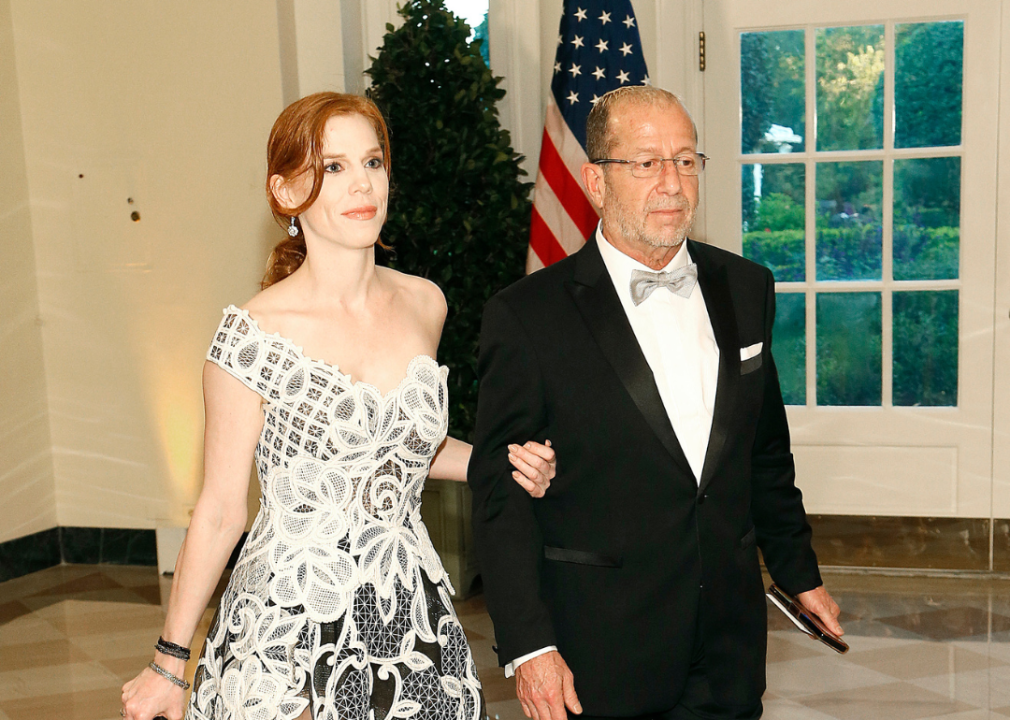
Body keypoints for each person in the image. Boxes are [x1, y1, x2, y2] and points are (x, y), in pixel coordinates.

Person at [120, 92, 557, 720]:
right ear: (286, 190)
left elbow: (400, 445)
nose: (362, 184)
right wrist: (169, 660)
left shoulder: (424, 305)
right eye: (333, 167)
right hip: (287, 619)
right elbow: (218, 511)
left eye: (373, 163)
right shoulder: (252, 336)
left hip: (407, 615)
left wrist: (500, 461)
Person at [467, 85, 842, 720]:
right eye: (645, 163)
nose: (671, 182)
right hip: (602, 647)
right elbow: (501, 499)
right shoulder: (527, 317)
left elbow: (764, 452)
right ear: (594, 180)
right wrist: (529, 646)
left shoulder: (747, 287)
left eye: (686, 160)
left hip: (728, 640)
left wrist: (798, 570)